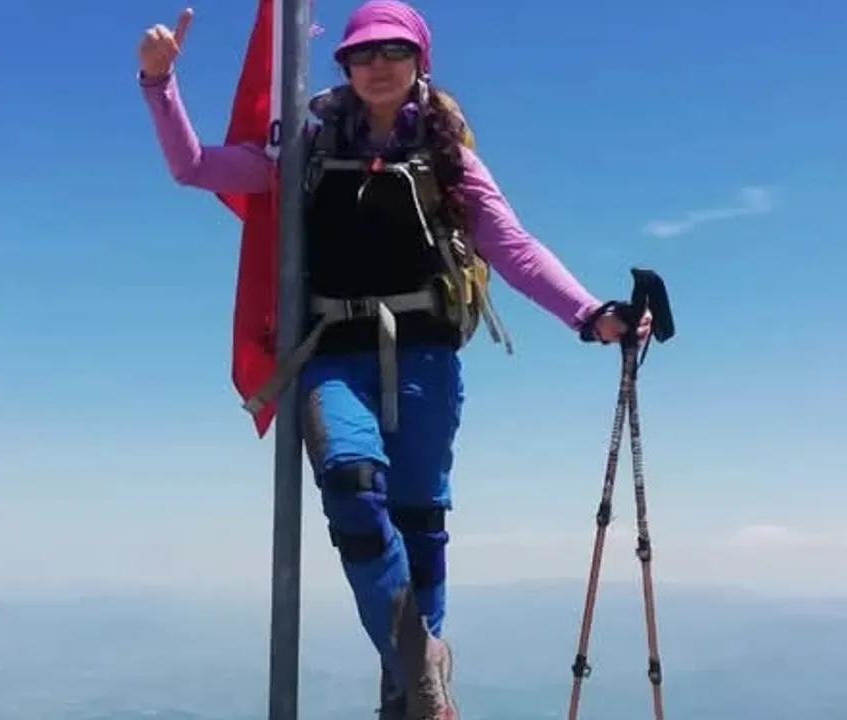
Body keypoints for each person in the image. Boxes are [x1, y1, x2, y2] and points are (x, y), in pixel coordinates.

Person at [136, 2, 652, 718]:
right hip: (332, 354)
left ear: (419, 62)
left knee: (420, 526)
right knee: (351, 484)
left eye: (394, 52)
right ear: (344, 66)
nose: (377, 65)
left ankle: (410, 698)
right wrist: (159, 84)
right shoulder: (307, 148)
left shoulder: (447, 157)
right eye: (362, 54)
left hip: (426, 360)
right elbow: (195, 167)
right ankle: (420, 661)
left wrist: (590, 314)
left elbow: (513, 248)